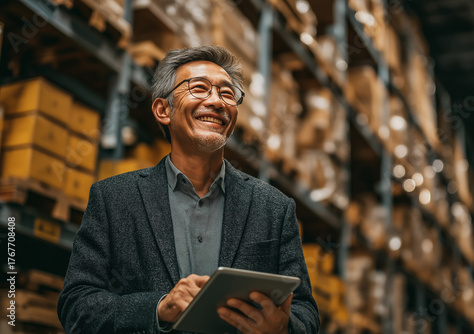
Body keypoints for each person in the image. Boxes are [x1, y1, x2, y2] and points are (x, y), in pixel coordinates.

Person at [57, 45, 319, 334]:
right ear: (163, 110)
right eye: (200, 88)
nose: (217, 101)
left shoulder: (273, 207)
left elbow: (305, 311)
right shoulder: (114, 199)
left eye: (227, 94)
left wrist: (283, 328)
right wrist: (159, 307)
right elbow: (76, 305)